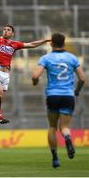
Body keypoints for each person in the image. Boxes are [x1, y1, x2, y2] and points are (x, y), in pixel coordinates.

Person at [0, 22, 50, 143]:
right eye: (4, 29)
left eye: (8, 30)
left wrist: (46, 40)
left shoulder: (14, 44)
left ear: (12, 33)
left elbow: (32, 44)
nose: (5, 31)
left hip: (6, 74)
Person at [32, 32, 85, 168]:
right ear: (64, 43)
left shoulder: (46, 58)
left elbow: (35, 75)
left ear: (51, 43)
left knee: (52, 127)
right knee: (65, 127)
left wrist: (35, 82)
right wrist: (77, 91)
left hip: (53, 95)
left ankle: (55, 158)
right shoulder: (72, 58)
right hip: (68, 95)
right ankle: (67, 137)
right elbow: (82, 78)